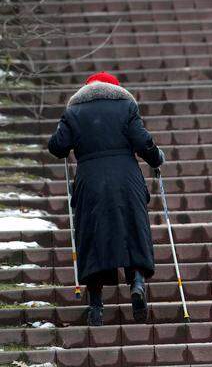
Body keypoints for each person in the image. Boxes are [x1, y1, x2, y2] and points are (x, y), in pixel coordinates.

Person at [48, 72, 164, 326]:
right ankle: (137, 283)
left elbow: (57, 147)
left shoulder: (74, 111)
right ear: (115, 88)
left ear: (86, 89)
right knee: (133, 229)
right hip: (126, 177)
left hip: (90, 181)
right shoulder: (126, 106)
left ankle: (96, 306)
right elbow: (142, 142)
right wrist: (157, 158)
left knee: (93, 235)